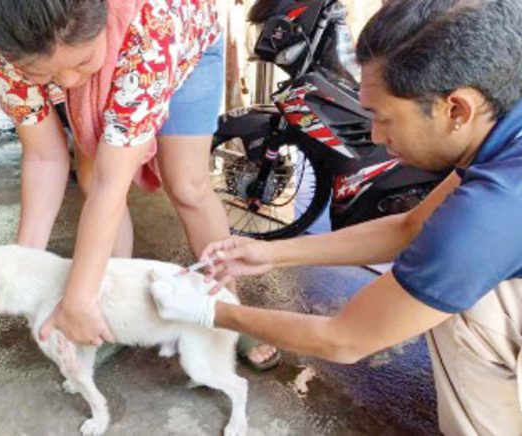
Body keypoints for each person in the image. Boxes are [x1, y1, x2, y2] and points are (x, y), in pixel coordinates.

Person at [150, 0, 522, 433]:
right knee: (452, 289)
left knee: (453, 298)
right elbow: (409, 226)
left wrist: (208, 312)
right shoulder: (502, 124)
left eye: (384, 118)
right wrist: (272, 254)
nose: (377, 136)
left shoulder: (487, 212)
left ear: (457, 110)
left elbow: (345, 339)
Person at [0, 0, 279, 369]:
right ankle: (108, 305)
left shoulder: (151, 28)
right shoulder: (4, 51)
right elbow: (45, 157)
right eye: (43, 75)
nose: (68, 82)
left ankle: (228, 309)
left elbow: (111, 182)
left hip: (181, 48)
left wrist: (76, 298)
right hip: (118, 56)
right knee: (88, 177)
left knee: (186, 185)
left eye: (81, 62)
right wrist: (17, 266)